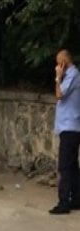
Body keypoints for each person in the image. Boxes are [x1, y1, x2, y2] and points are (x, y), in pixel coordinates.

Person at [50, 49, 80, 215]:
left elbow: (59, 94)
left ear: (64, 63)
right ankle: (76, 198)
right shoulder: (75, 74)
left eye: (58, 63)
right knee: (73, 165)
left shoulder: (72, 75)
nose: (57, 66)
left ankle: (64, 203)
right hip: (71, 126)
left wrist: (57, 77)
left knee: (65, 166)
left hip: (70, 126)